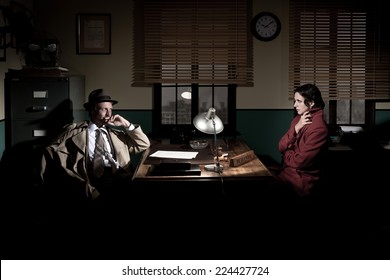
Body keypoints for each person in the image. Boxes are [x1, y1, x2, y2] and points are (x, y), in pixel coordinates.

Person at [39, 88, 150, 216]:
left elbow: (143, 144)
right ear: (92, 110)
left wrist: (126, 124)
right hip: (89, 179)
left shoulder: (117, 134)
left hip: (118, 178)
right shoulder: (75, 132)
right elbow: (51, 151)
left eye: (110, 109)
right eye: (104, 109)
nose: (109, 114)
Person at [274, 83, 329, 197]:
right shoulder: (297, 120)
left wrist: (287, 154)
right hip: (286, 173)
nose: (295, 105)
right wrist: (296, 128)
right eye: (295, 101)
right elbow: (280, 146)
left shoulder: (319, 128)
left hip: (301, 182)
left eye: (299, 101)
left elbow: (300, 162)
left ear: (311, 102)